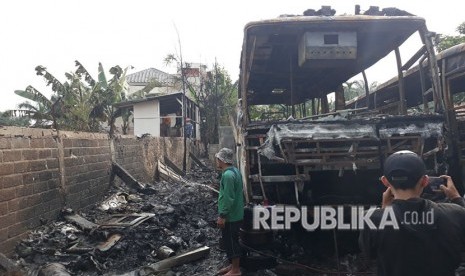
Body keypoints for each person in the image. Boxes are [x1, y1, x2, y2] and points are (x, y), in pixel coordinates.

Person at [359, 150, 465, 276]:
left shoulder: (371, 219)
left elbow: (368, 255)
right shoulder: (455, 213)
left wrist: (385, 209)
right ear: (425, 181)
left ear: (385, 182)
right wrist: (457, 198)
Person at [215, 148, 244, 276]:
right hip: (236, 213)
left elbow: (228, 197)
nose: (217, 161)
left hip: (231, 216)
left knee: (231, 242)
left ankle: (236, 270)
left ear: (222, 160)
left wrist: (222, 215)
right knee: (230, 240)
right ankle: (233, 265)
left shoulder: (227, 175)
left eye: (218, 159)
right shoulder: (235, 171)